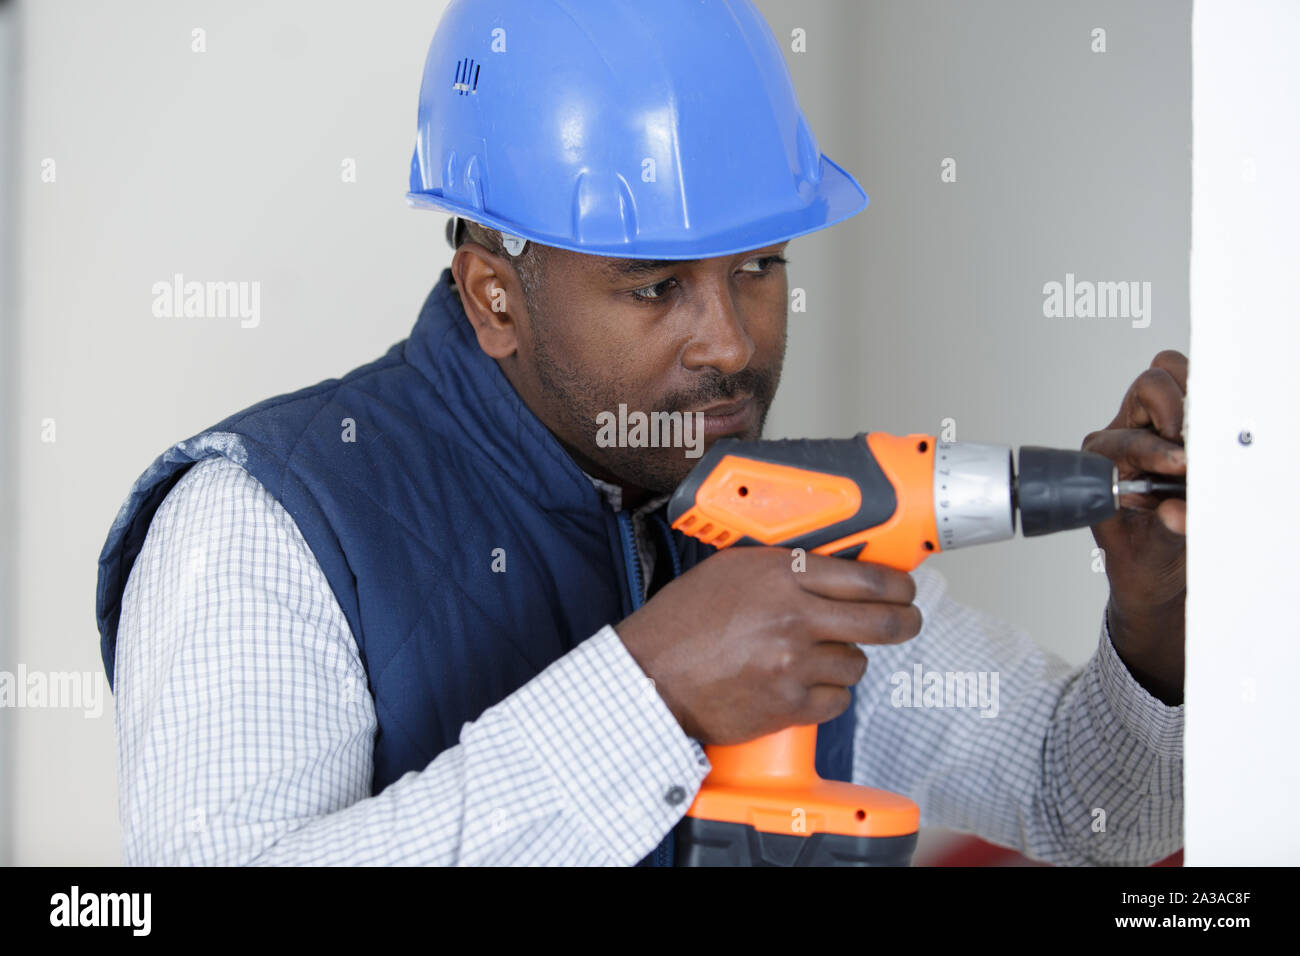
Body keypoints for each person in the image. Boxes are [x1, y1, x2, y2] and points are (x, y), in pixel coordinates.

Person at [95, 0, 1186, 866]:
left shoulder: (789, 514)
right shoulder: (262, 525)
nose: (726, 341)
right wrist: (645, 690)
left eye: (759, 267)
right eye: (656, 285)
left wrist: (1154, 625)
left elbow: (1085, 812)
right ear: (493, 295)